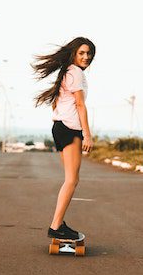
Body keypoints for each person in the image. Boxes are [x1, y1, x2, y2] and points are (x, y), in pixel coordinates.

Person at [32, 37, 96, 240]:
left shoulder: (67, 72)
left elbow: (56, 103)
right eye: (82, 53)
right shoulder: (75, 72)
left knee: (70, 179)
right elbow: (79, 105)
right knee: (71, 180)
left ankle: (58, 223)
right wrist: (87, 134)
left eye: (89, 53)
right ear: (74, 54)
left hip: (59, 127)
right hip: (69, 129)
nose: (86, 57)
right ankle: (56, 225)